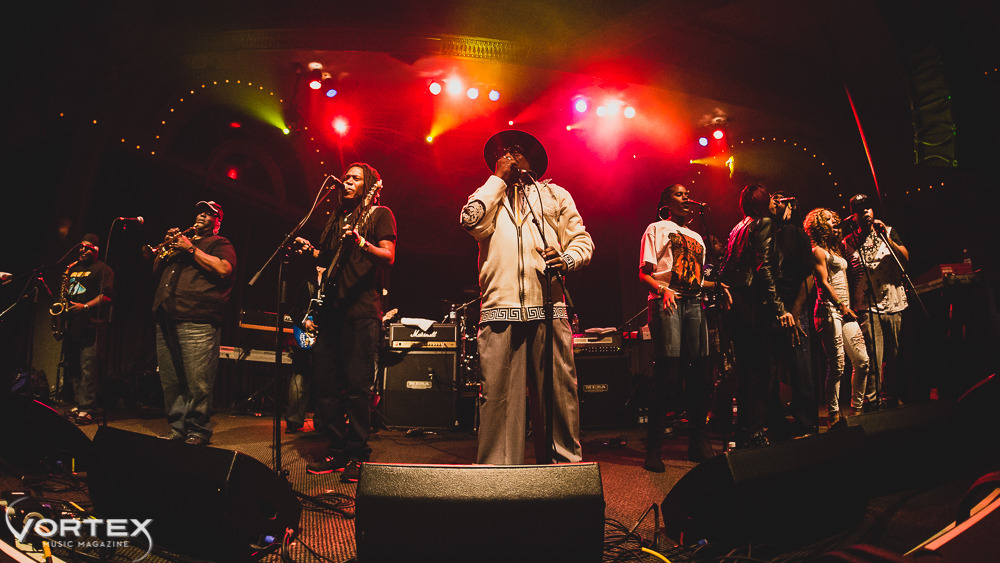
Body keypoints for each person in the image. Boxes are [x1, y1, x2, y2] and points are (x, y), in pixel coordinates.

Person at [460, 130, 593, 465]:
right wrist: (496, 181)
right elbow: (470, 222)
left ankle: (564, 473)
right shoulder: (488, 193)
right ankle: (498, 478)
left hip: (548, 307)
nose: (509, 155)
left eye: (517, 150)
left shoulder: (555, 195)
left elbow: (582, 241)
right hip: (499, 308)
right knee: (498, 399)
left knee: (558, 395)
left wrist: (567, 259)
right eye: (503, 151)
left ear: (532, 159)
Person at [295, 163, 396, 482]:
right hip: (332, 313)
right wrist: (311, 252)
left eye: (355, 178)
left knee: (357, 387)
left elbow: (388, 256)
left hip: (361, 312)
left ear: (369, 185)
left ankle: (357, 454)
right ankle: (337, 449)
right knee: (325, 385)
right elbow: (328, 259)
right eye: (345, 178)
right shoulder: (337, 218)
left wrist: (361, 243)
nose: (347, 182)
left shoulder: (379, 215)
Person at [639, 183, 730, 471]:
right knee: (668, 374)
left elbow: (696, 279)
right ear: (666, 203)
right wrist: (663, 290)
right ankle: (654, 448)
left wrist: (719, 286)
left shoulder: (697, 237)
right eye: (679, 194)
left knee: (702, 374)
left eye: (688, 194)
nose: (687, 197)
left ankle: (697, 443)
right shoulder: (656, 229)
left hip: (693, 303)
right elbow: (644, 273)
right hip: (666, 301)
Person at [152, 201, 236, 446]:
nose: (202, 215)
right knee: (170, 379)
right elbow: (156, 268)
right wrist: (165, 246)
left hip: (197, 315)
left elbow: (224, 270)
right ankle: (178, 428)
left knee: (198, 379)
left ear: (217, 223)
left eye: (210, 214)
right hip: (166, 313)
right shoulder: (181, 243)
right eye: (201, 211)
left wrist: (190, 249)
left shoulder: (221, 243)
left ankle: (198, 430)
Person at [719, 183, 796, 447]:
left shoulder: (738, 227)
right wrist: (780, 308)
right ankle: (753, 431)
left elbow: (729, 264)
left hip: (737, 301)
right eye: (771, 198)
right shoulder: (763, 223)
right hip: (753, 301)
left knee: (747, 368)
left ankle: (745, 430)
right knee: (763, 369)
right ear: (762, 202)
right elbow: (764, 268)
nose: (777, 201)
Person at [804, 208, 871, 425]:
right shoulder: (817, 251)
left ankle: (856, 412)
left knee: (862, 361)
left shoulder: (835, 249)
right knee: (838, 366)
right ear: (819, 226)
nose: (835, 222)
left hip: (845, 311)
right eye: (829, 220)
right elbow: (823, 283)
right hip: (829, 310)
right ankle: (833, 416)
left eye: (834, 219)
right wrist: (841, 306)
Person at [843, 194, 909, 408]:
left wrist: (887, 239)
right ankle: (872, 402)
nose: (865, 212)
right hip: (867, 306)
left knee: (894, 356)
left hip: (893, 303)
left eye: (867, 208)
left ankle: (891, 397)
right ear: (853, 216)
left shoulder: (888, 232)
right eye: (859, 209)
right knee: (872, 357)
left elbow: (905, 259)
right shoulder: (848, 242)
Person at [770, 191, 818, 438]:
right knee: (771, 370)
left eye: (780, 199)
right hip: (774, 311)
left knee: (800, 368)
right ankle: (777, 423)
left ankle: (806, 423)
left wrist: (796, 312)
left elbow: (809, 276)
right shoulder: (769, 234)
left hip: (794, 309)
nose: (776, 201)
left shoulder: (797, 234)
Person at [60, 233, 113, 425]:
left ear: (96, 250)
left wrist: (85, 307)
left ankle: (88, 408)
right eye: (81, 247)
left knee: (88, 368)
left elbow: (106, 296)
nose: (82, 250)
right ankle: (79, 403)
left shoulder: (103, 269)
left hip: (92, 326)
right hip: (73, 326)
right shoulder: (73, 268)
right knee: (74, 368)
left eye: (87, 248)